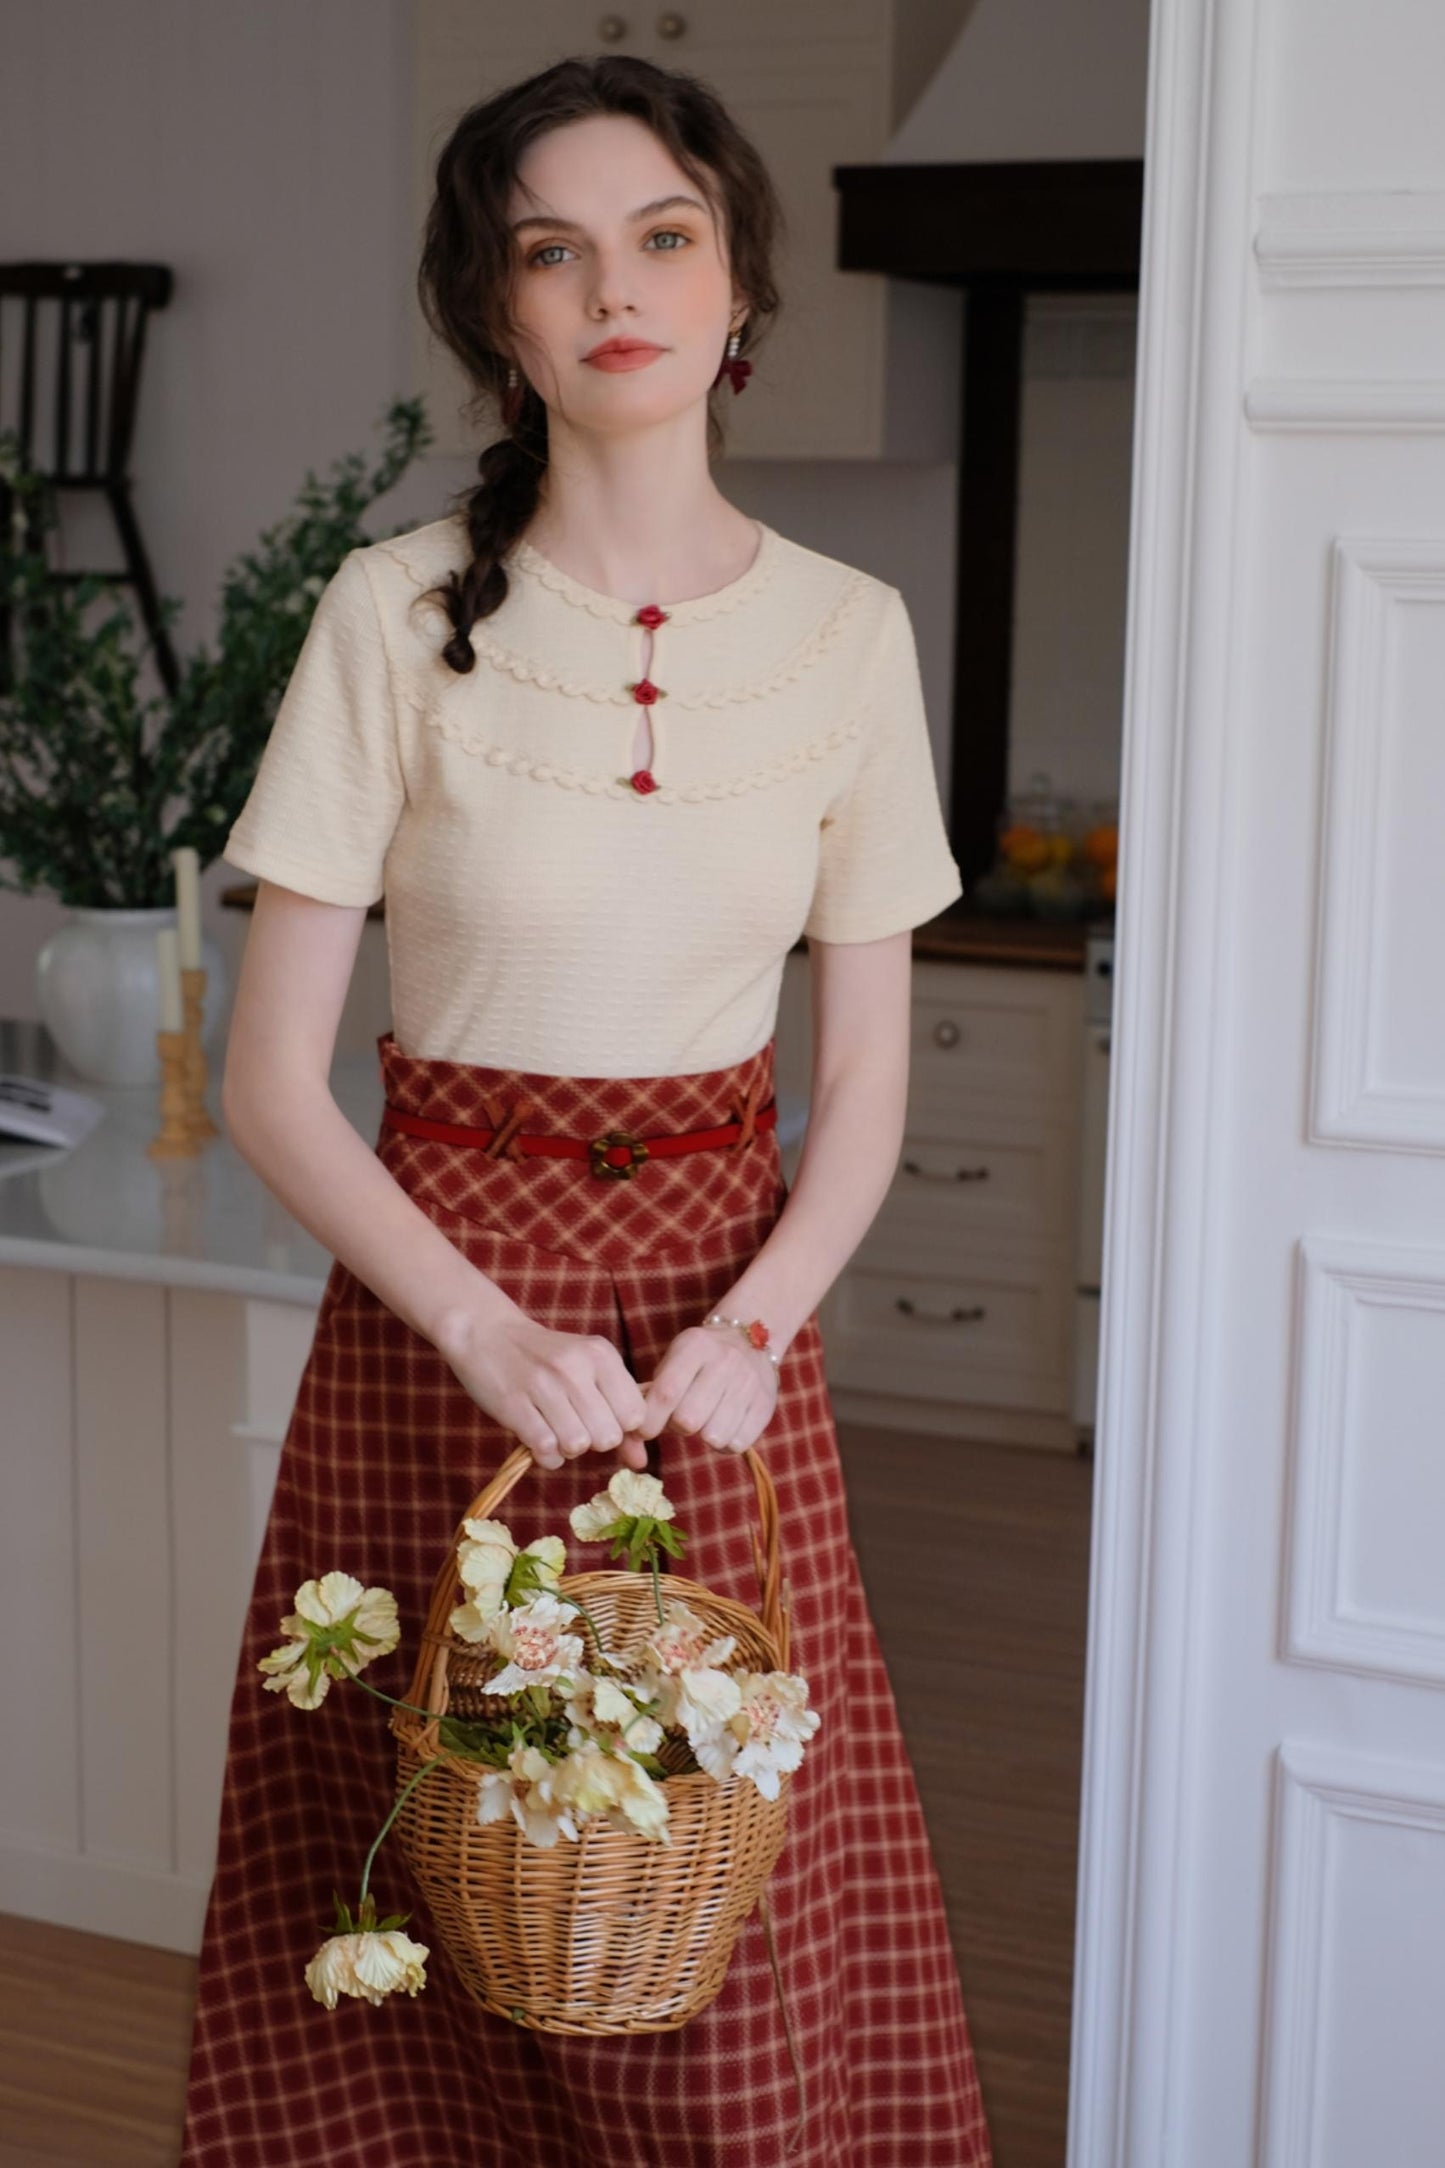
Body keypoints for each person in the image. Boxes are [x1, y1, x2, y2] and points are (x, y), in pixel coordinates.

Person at [180, 51, 993, 2168]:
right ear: (497, 313)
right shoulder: (385, 618)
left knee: (707, 1931)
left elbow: (874, 1079)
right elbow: (272, 1077)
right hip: (444, 1332)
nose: (613, 286)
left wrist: (758, 1325)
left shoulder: (849, 638)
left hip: (716, 1361)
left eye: (664, 235)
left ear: (737, 292)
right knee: (409, 1907)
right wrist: (477, 1325)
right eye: (553, 249)